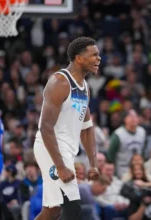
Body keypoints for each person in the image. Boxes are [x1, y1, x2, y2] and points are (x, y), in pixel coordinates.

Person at [33, 37, 101, 220]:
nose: (98, 58)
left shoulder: (84, 87)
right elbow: (45, 127)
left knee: (52, 210)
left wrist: (93, 163)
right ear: (79, 58)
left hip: (67, 150)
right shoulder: (60, 82)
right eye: (94, 55)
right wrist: (60, 166)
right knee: (72, 208)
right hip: (51, 148)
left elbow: (86, 128)